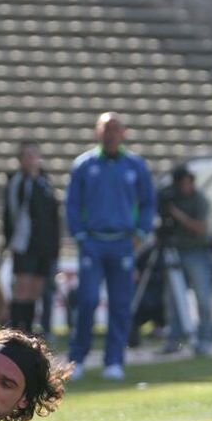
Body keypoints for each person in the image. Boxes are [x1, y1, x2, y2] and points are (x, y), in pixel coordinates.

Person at [65, 112, 155, 380]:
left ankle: (114, 360)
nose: (111, 133)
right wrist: (80, 235)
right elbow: (72, 203)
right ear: (97, 132)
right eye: (106, 128)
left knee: (120, 304)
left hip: (123, 243)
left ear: (124, 133)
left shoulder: (135, 165)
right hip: (93, 242)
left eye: (116, 128)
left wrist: (141, 232)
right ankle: (77, 359)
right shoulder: (84, 165)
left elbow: (149, 202)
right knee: (88, 300)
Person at [2, 142, 60, 333]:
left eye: (34, 155)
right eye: (27, 156)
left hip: (43, 245)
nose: (32, 160)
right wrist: (12, 239)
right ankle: (18, 327)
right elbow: (12, 213)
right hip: (25, 243)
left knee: (36, 288)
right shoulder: (18, 182)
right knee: (22, 287)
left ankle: (28, 328)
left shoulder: (44, 182)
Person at [157, 166, 212, 355]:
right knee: (173, 298)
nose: (185, 187)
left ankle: (204, 340)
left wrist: (176, 213)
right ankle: (174, 339)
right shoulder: (172, 198)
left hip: (198, 252)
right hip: (175, 249)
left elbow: (200, 229)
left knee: (203, 297)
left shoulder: (199, 200)